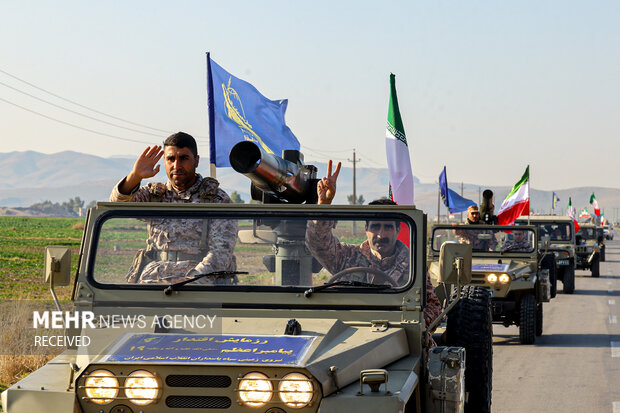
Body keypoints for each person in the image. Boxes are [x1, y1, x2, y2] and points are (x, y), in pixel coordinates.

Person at [305, 160, 441, 339]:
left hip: (396, 337)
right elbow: (318, 243)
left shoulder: (413, 265)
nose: (380, 234)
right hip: (346, 333)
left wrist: (411, 325)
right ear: (366, 229)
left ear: (398, 230)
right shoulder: (347, 257)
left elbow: (433, 305)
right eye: (375, 227)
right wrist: (324, 205)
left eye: (388, 227)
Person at [109, 132, 237, 284]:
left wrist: (191, 282)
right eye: (171, 159)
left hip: (200, 286)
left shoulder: (217, 200)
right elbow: (117, 204)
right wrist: (135, 176)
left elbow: (220, 253)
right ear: (164, 161)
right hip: (152, 282)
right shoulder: (154, 195)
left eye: (184, 158)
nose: (176, 166)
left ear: (196, 161)